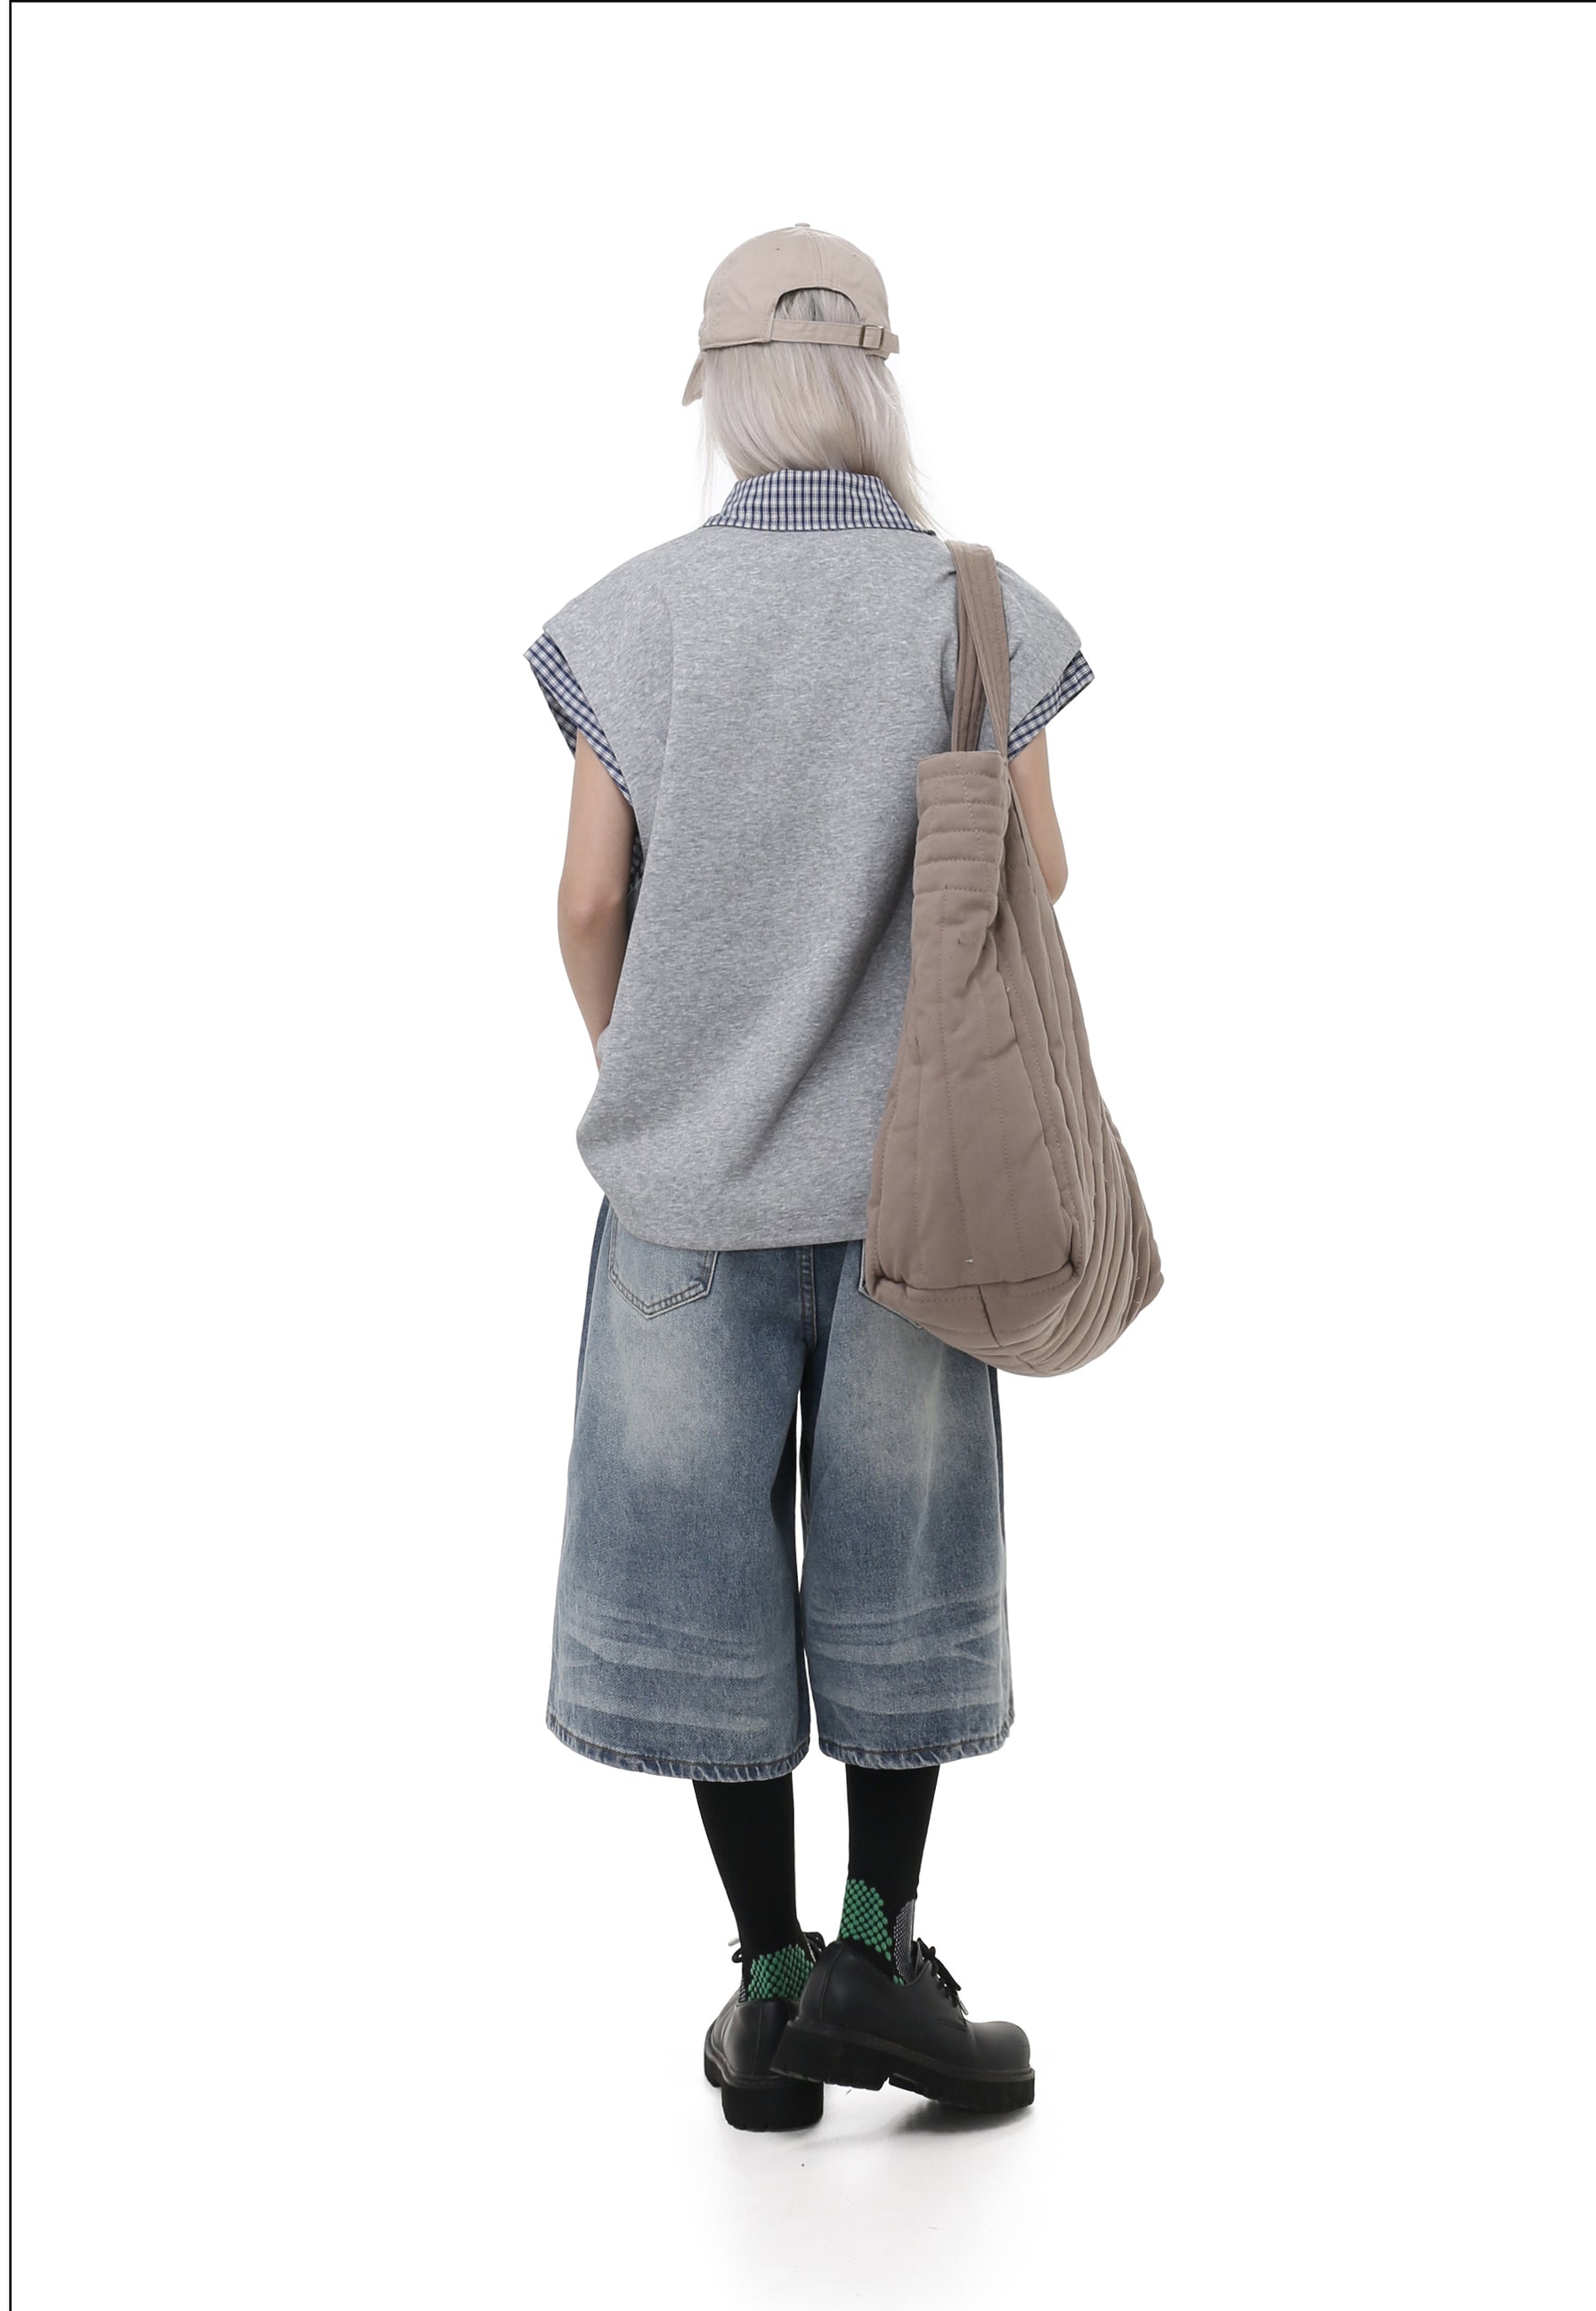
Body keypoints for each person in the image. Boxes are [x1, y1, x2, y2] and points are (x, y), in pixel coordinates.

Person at [526, 225, 1092, 2131]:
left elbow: (585, 899)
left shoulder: (633, 618)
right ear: (876, 382)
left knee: (701, 1585)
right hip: (916, 1191)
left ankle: (767, 1997)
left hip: (683, 1197)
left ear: (722, 393)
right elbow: (1040, 877)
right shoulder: (969, 607)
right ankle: (875, 1950)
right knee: (901, 1573)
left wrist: (665, 1074)